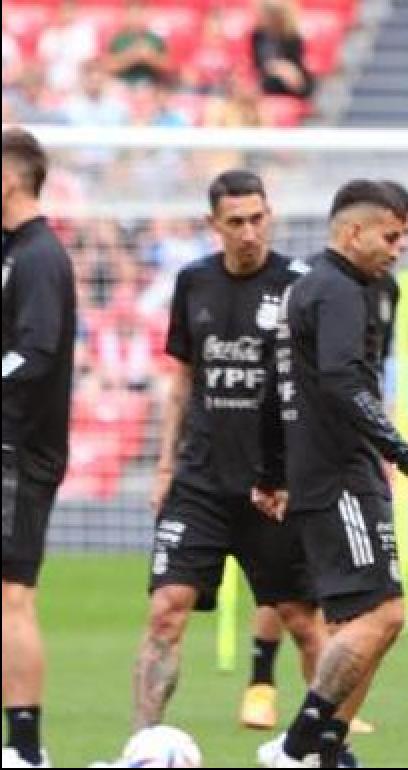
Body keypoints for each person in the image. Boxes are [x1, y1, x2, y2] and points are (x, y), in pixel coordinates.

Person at [112, 171, 327, 745]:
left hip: (272, 486)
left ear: (270, 216)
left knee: (304, 624)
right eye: (236, 222)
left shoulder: (299, 285)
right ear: (214, 226)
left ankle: (329, 748)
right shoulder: (193, 282)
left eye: (258, 218)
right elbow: (182, 379)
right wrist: (164, 466)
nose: (249, 232)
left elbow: (316, 385)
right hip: (200, 481)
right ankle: (142, 746)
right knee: (166, 611)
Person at [254, 179, 408, 768]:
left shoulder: (311, 289)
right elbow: (341, 381)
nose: (398, 247)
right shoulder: (337, 291)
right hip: (339, 476)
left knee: (354, 623)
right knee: (382, 614)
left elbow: (278, 388)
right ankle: (296, 747)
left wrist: (274, 470)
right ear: (351, 231)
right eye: (390, 235)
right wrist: (405, 455)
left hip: (317, 473)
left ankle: (329, 752)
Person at [1, 127, 77, 770]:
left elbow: (36, 352)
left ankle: (25, 750)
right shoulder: (13, 253)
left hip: (19, 454)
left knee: (11, 594)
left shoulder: (39, 257)